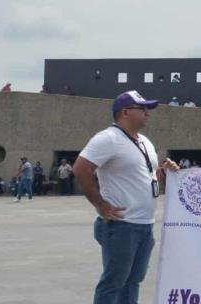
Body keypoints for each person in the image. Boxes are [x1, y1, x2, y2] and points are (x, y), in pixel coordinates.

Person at [72, 90, 176, 304]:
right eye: (143, 109)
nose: (148, 113)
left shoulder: (144, 141)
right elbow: (81, 169)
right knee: (114, 282)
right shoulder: (108, 139)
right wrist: (100, 203)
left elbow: (146, 176)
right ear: (125, 112)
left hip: (144, 224)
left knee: (133, 281)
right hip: (122, 226)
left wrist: (164, 172)